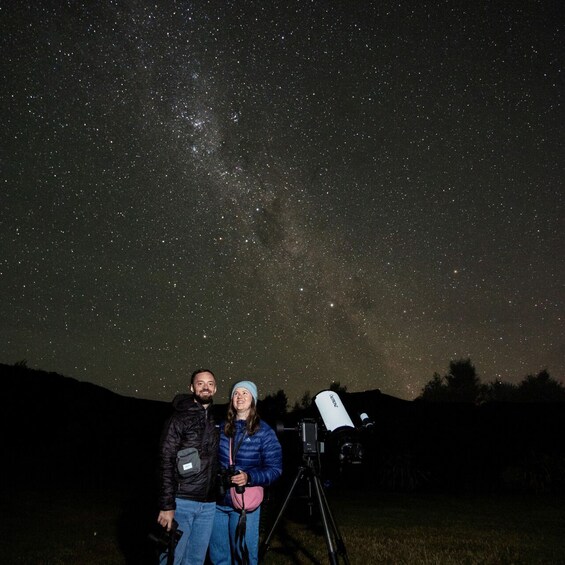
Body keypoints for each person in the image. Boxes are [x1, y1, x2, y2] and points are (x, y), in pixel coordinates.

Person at [209, 380, 282, 565]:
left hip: (243, 504)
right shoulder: (221, 428)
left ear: (253, 400)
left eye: (245, 393)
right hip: (218, 502)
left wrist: (249, 477)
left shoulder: (264, 432)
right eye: (236, 393)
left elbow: (275, 470)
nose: (240, 397)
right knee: (218, 557)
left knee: (244, 557)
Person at [157, 369, 219, 565]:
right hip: (182, 502)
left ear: (215, 388)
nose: (205, 387)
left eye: (210, 383)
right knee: (171, 559)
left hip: (208, 505)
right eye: (200, 383)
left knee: (195, 561)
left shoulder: (216, 419)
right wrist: (167, 505)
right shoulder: (178, 418)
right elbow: (165, 460)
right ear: (192, 388)